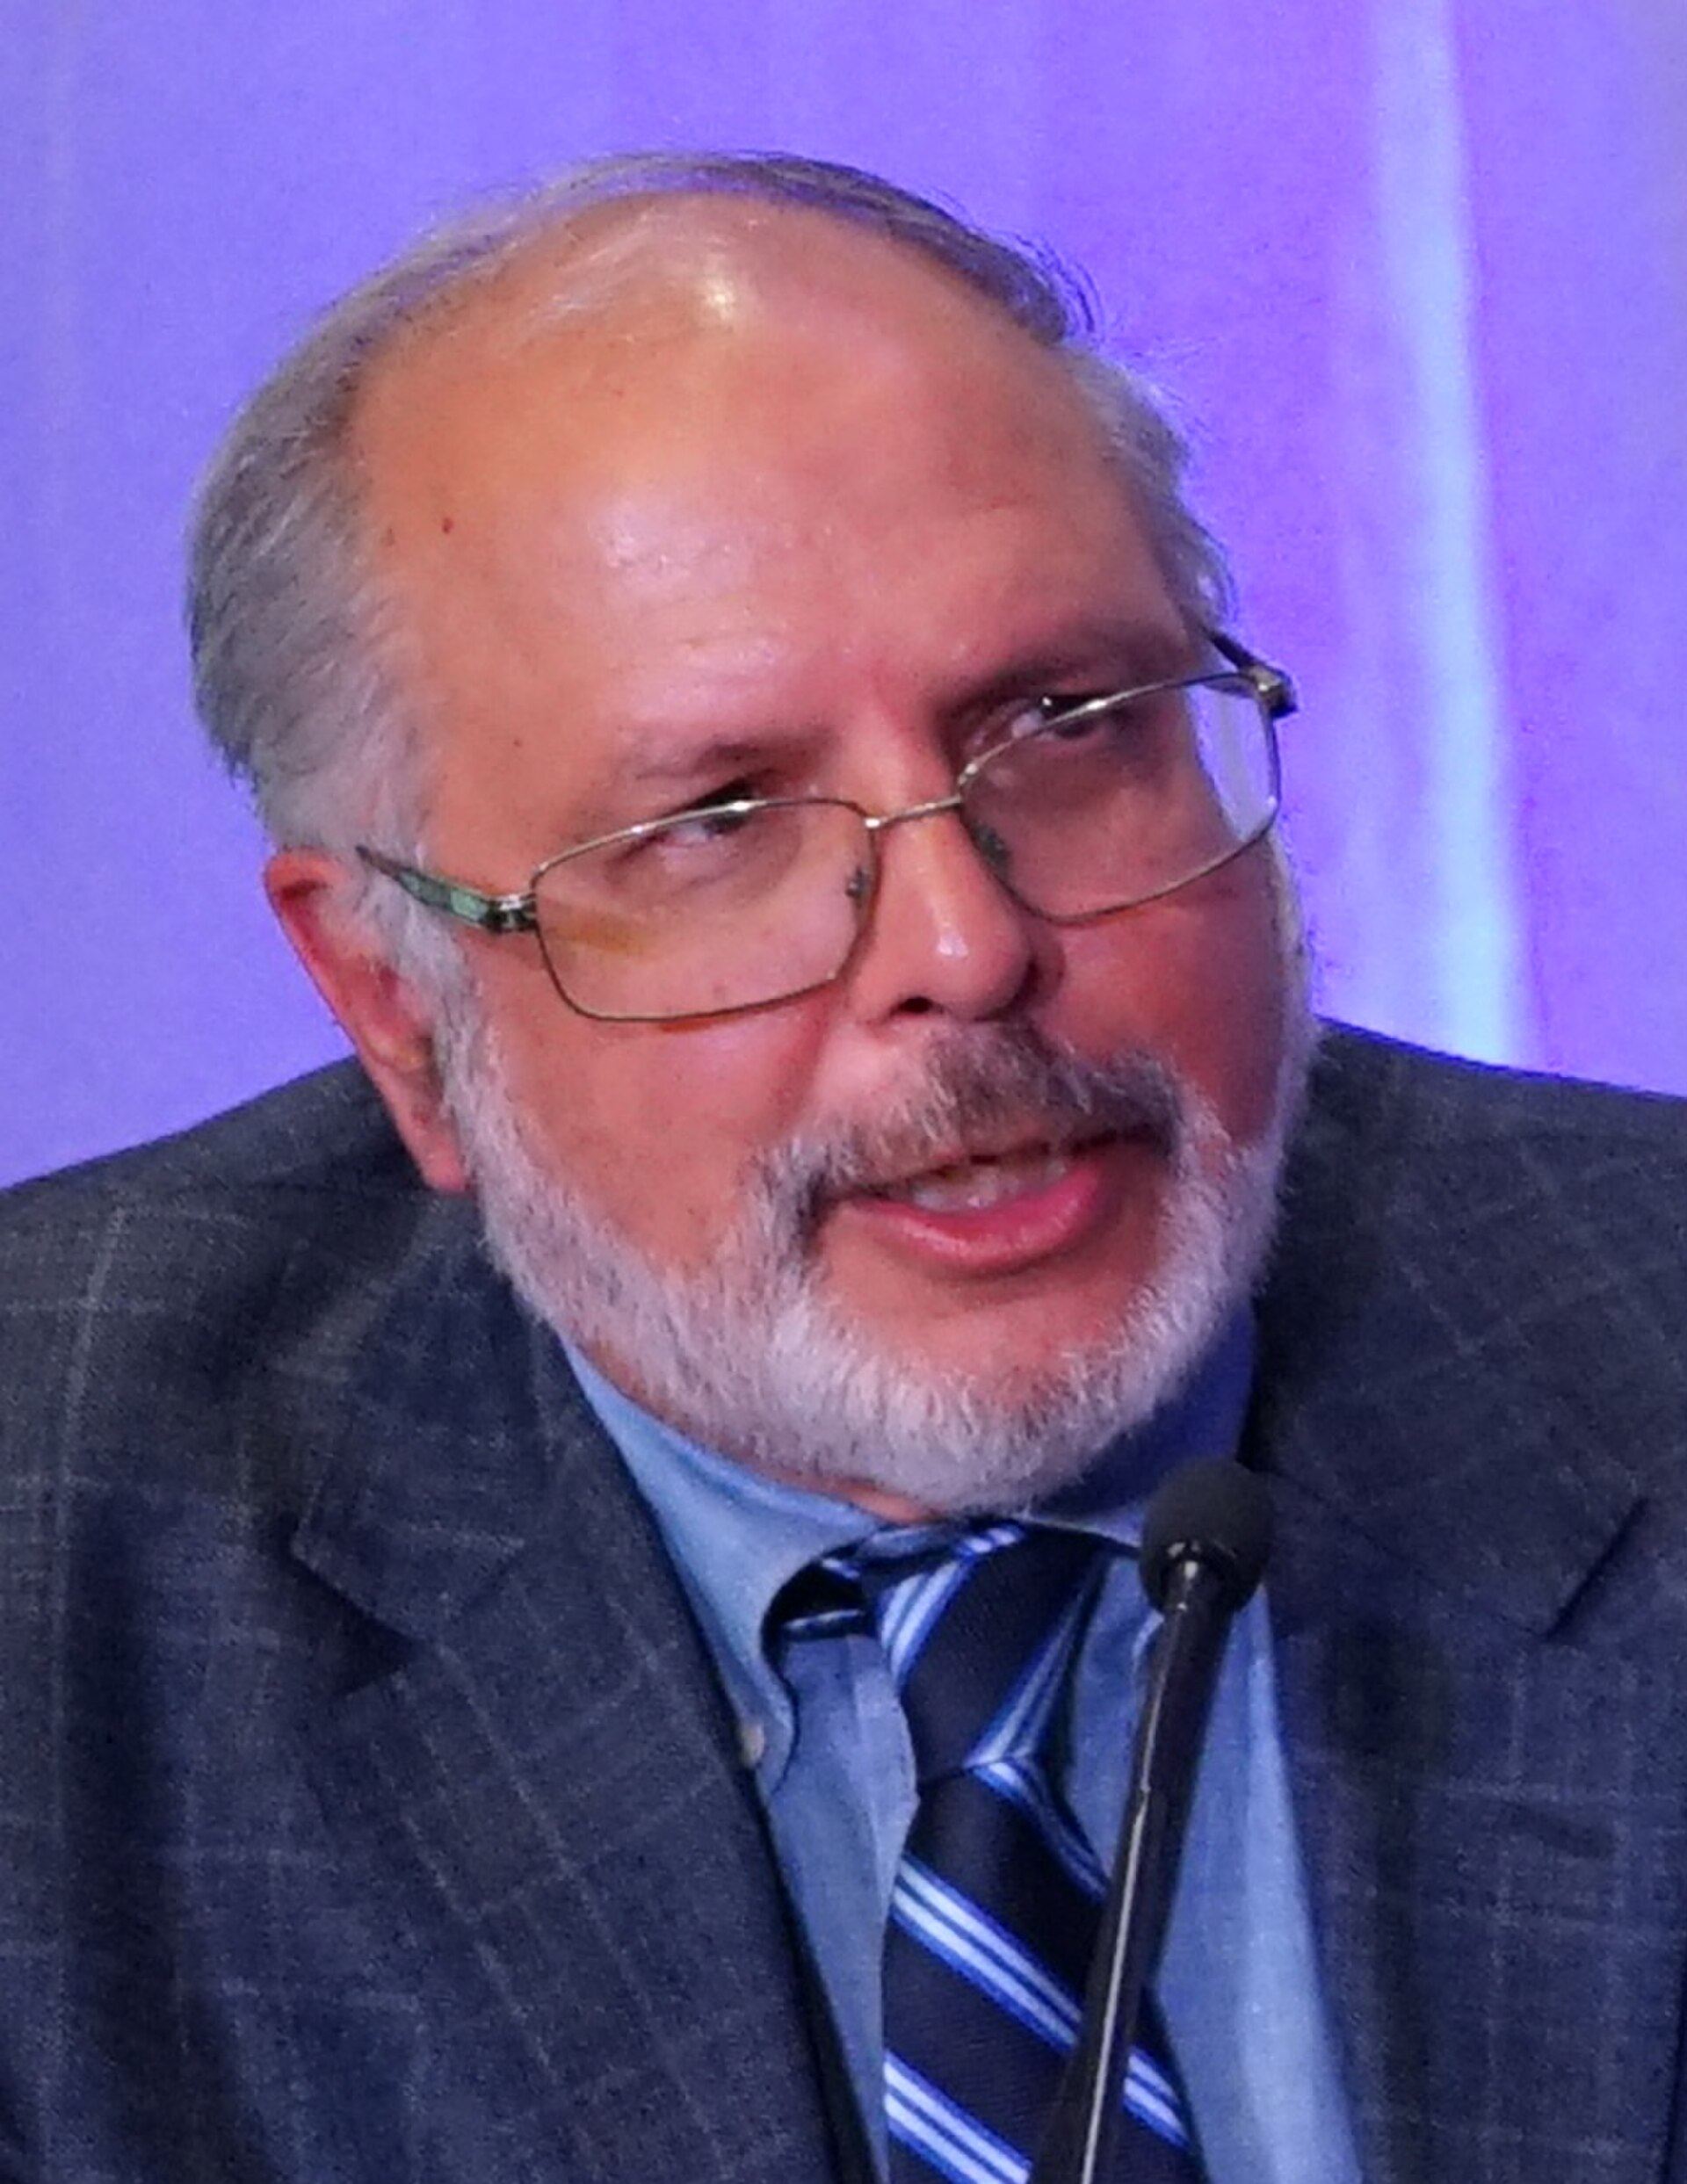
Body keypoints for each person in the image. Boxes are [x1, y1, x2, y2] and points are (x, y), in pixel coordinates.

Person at [3, 152, 1685, 2184]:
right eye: (717, 820)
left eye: (1068, 723)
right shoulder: (56, 1566)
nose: (970, 953)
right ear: (394, 998)